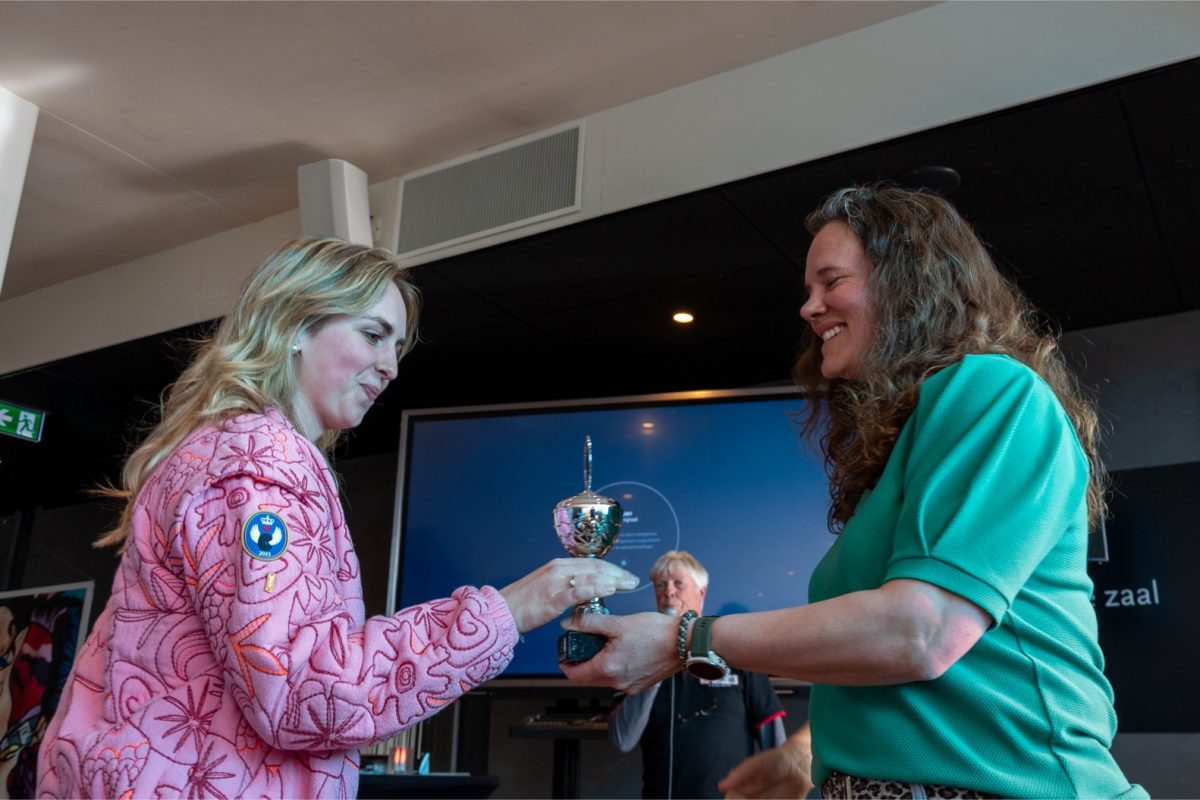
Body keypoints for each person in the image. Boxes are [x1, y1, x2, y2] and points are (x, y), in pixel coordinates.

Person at [563, 184, 1146, 799]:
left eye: (831, 281)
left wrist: (687, 638)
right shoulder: (908, 445)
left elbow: (922, 633)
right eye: (808, 290)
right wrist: (803, 755)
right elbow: (893, 670)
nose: (809, 308)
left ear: (907, 285)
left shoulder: (993, 390)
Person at [36, 237, 639, 799]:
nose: (390, 366)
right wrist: (512, 609)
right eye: (373, 335)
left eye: (396, 347)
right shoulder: (260, 462)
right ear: (294, 325)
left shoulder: (226, 449)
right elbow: (299, 690)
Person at [608, 551, 785, 799]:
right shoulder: (635, 658)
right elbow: (623, 739)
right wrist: (651, 666)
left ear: (701, 592)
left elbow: (775, 743)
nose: (668, 592)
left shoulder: (734, 649)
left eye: (678, 583)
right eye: (660, 585)